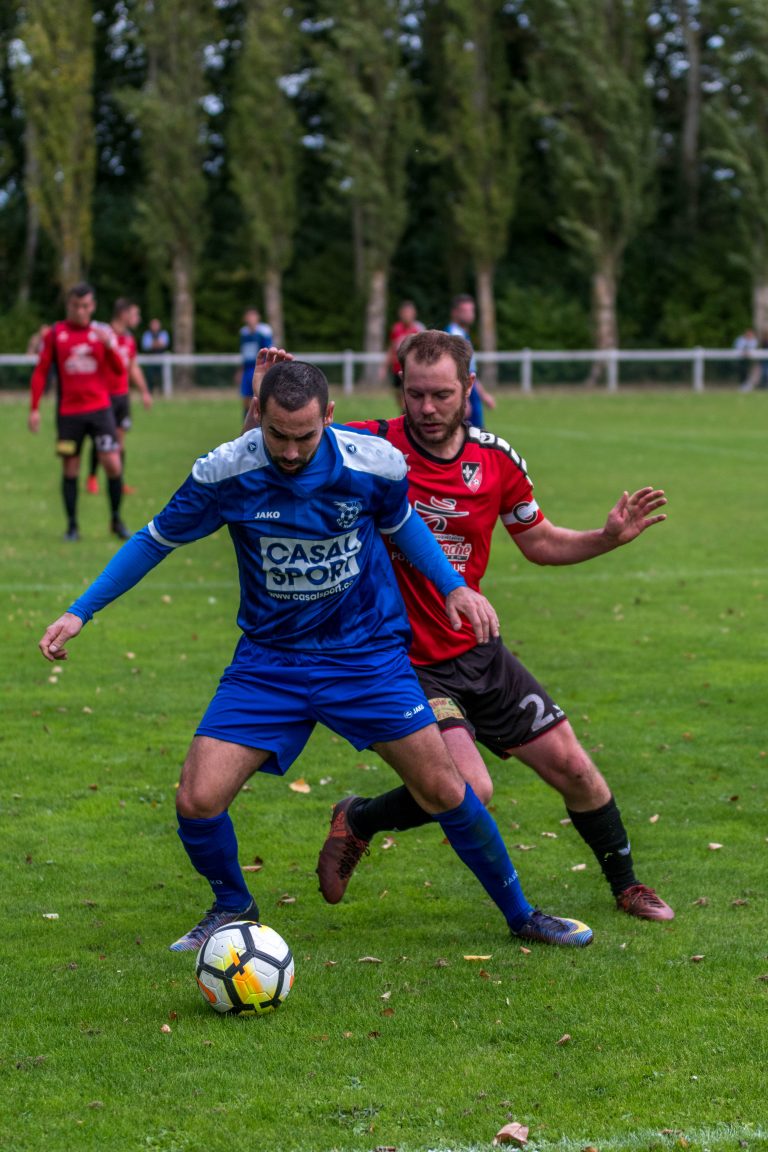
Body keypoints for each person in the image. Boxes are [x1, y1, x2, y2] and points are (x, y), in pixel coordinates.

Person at [38, 358, 594, 954]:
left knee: (446, 788)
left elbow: (404, 526)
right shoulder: (228, 471)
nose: (293, 450)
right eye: (278, 434)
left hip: (364, 657)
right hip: (270, 662)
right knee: (197, 799)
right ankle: (232, 907)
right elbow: (154, 540)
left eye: (306, 435)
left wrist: (453, 586)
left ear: (328, 417)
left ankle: (521, 914)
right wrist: (81, 610)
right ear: (259, 417)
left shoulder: (371, 465)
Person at [316, 329, 675, 923]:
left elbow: (538, 540)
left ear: (469, 390)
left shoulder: (496, 459)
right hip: (406, 660)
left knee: (576, 769)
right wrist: (262, 405)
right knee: (470, 788)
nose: (427, 409)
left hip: (479, 652)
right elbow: (292, 447)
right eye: (416, 394)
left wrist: (607, 538)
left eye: (442, 395)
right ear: (401, 385)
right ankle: (359, 822)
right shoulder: (370, 446)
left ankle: (626, 884)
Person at [28, 282, 129, 542]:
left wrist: (109, 347)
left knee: (113, 464)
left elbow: (120, 371)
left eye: (85, 306)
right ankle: (72, 527)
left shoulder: (102, 334)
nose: (80, 311)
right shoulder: (55, 333)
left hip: (100, 411)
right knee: (70, 468)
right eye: (75, 306)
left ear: (93, 306)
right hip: (68, 415)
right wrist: (34, 408)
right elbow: (40, 371)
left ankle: (116, 520)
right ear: (68, 306)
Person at [87, 299, 153, 496]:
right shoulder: (102, 335)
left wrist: (144, 391)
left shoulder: (129, 340)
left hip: (122, 396)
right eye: (135, 314)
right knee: (103, 441)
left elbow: (132, 367)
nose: (138, 319)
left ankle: (118, 481)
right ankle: (92, 477)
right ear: (124, 314)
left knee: (120, 441)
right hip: (102, 397)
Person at [445, 294, 495, 428]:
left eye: (471, 310)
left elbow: (470, 370)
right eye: (465, 311)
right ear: (455, 313)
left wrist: (483, 395)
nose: (470, 314)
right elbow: (455, 370)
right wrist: (463, 399)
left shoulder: (463, 334)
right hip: (465, 392)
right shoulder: (454, 335)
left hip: (470, 390)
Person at [238, 308, 273, 416]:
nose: (251, 319)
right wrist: (241, 369)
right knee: (246, 398)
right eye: (249, 317)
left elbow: (269, 350)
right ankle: (246, 425)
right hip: (248, 370)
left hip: (259, 369)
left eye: (253, 317)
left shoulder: (264, 332)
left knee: (259, 396)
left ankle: (261, 423)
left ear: (258, 318)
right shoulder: (244, 333)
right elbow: (244, 353)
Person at [388, 301, 424, 391]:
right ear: (400, 314)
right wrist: (384, 367)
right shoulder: (396, 328)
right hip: (396, 367)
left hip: (411, 367)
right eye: (405, 313)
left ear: (414, 314)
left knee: (408, 391)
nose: (407, 315)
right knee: (397, 392)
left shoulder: (418, 329)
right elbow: (391, 348)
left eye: (409, 313)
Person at [140, 318, 170, 393]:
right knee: (150, 376)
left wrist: (153, 344)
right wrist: (158, 343)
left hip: (161, 359)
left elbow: (164, 344)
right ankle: (150, 391)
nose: (155, 326)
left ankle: (162, 391)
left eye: (156, 325)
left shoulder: (163, 333)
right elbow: (146, 345)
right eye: (153, 325)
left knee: (162, 376)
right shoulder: (147, 334)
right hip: (150, 359)